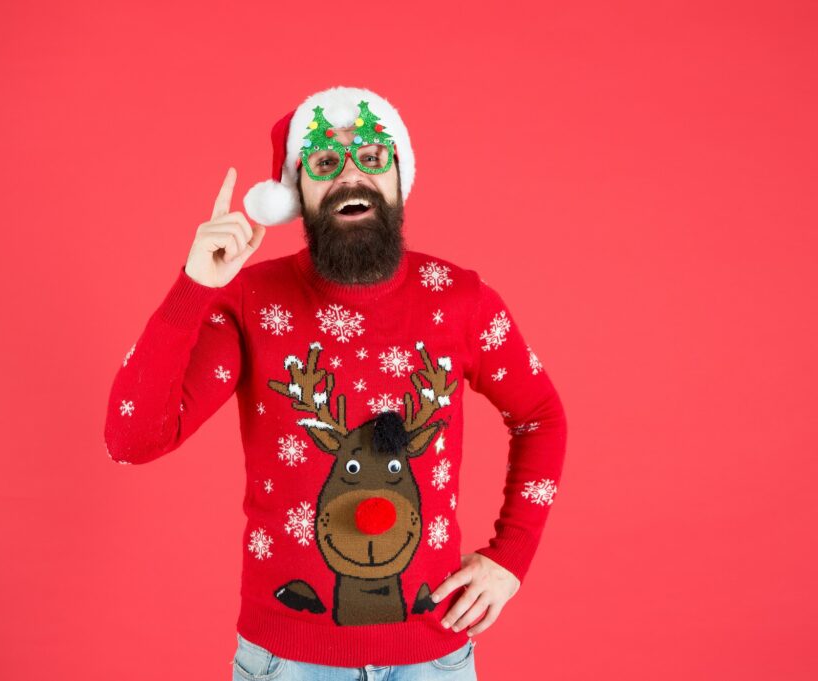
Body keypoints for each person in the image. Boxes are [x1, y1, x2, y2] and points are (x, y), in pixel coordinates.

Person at [103, 86, 568, 680]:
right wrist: (194, 286)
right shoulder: (249, 300)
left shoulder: (462, 300)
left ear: (400, 177)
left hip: (434, 660)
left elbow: (541, 418)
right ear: (297, 193)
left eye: (373, 156)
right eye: (324, 161)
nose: (352, 175)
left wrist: (513, 556)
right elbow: (131, 440)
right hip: (287, 662)